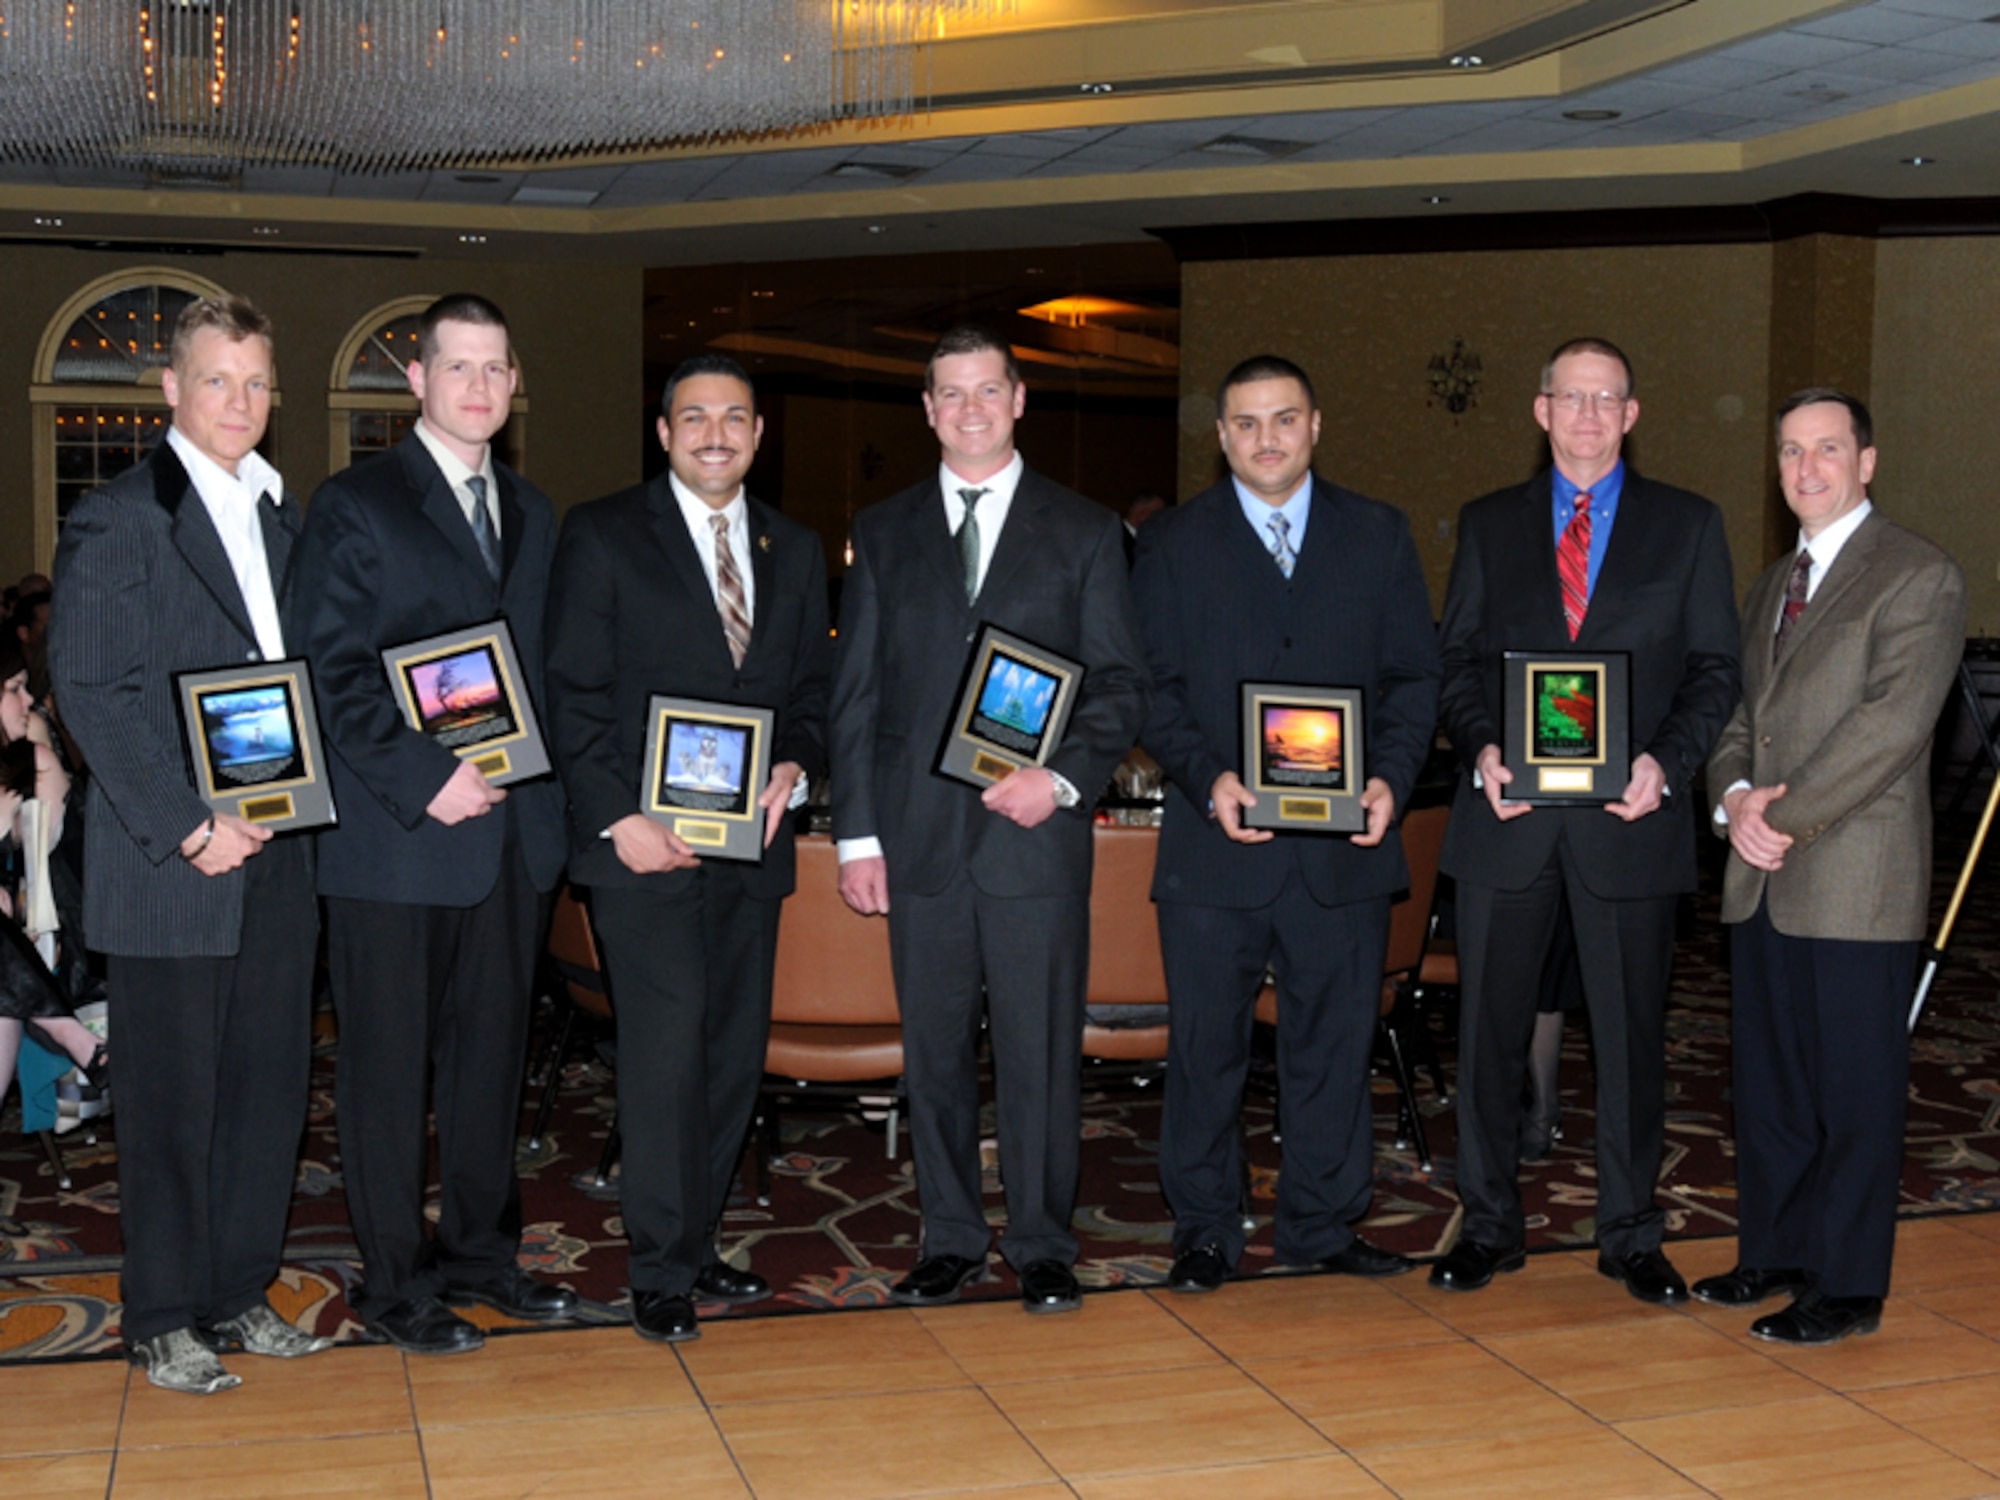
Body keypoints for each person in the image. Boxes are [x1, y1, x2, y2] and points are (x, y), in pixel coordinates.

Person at [829, 325, 1150, 1314]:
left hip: (1030, 838)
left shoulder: (1087, 531)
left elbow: (1119, 685)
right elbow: (857, 698)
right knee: (931, 1056)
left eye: (986, 391)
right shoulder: (880, 532)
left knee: (1039, 1053)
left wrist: (1057, 779)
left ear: (1018, 401)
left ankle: (1043, 1242)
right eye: (948, 394)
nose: (968, 409)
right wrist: (855, 834)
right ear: (926, 410)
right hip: (917, 843)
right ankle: (951, 1237)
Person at [48, 294, 329, 1394]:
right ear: (170, 388)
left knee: (267, 1085)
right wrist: (187, 825)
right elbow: (91, 690)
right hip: (173, 859)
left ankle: (237, 1291)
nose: (240, 402)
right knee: (171, 1100)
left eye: (257, 383)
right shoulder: (121, 516)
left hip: (280, 850)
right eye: (217, 379)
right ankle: (162, 1314)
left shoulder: (280, 514)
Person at [290, 293, 575, 1356]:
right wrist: (425, 778)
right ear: (417, 380)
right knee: (386, 1068)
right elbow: (329, 675)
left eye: (496, 369)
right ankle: (395, 1281)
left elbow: (541, 676)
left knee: (488, 1064)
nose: (478, 388)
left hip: (511, 841)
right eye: (457, 367)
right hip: (397, 839)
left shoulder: (533, 511)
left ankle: (480, 1258)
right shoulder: (355, 502)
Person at [1432, 336, 1739, 1303]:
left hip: (1630, 822)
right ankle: (1487, 1225)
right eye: (1572, 397)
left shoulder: (1688, 526)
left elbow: (1715, 670)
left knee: (1632, 1041)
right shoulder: (1488, 525)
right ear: (1541, 410)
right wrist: (1484, 750)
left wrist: (1667, 764)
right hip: (1508, 822)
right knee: (1485, 1040)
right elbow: (1457, 663)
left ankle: (1631, 1232)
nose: (1589, 416)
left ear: (1632, 416)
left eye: (1607, 399)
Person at [1131, 354, 1439, 1292]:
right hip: (1215, 842)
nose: (1267, 438)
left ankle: (1320, 1221)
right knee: (1206, 1049)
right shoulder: (1173, 544)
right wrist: (1207, 776)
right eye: (1246, 423)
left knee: (1335, 1048)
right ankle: (1205, 1228)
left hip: (1345, 849)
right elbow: (1150, 687)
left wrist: (1388, 777)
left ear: (1316, 425)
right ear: (1220, 436)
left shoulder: (1379, 535)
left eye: (1284, 419)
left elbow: (1416, 679)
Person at [545, 354, 831, 1344]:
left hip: (749, 850)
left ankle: (699, 1239)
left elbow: (808, 697)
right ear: (661, 433)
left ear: (758, 434)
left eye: (736, 417)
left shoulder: (792, 549)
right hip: (641, 848)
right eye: (694, 416)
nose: (716, 431)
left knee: (727, 1059)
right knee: (663, 1060)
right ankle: (659, 1268)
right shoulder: (602, 533)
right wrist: (618, 817)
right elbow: (570, 695)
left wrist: (793, 765)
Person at [1697, 389, 1964, 1344]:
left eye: (1826, 450)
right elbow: (1739, 719)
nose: (1805, 469)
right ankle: (1774, 1252)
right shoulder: (1774, 582)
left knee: (1854, 1094)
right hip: (1763, 874)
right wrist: (1732, 801)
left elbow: (1890, 727)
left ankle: (1848, 1287)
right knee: (1770, 1088)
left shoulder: (1918, 575)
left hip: (1855, 881)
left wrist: (1782, 817)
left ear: (1867, 461)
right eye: (1789, 452)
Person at [0, 637, 105, 1099]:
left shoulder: (33, 764)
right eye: (14, 689)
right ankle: (72, 1036)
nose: (29, 702)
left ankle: (68, 1032)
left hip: (46, 947)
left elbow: (40, 890)